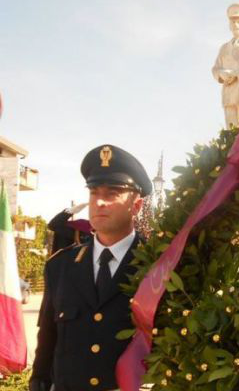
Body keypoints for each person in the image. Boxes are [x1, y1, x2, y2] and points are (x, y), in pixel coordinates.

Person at [30, 145, 152, 391]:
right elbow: (48, 337)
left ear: (136, 206)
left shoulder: (158, 265)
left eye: (113, 193)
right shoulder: (60, 266)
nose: (100, 202)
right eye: (94, 192)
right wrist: (38, 382)